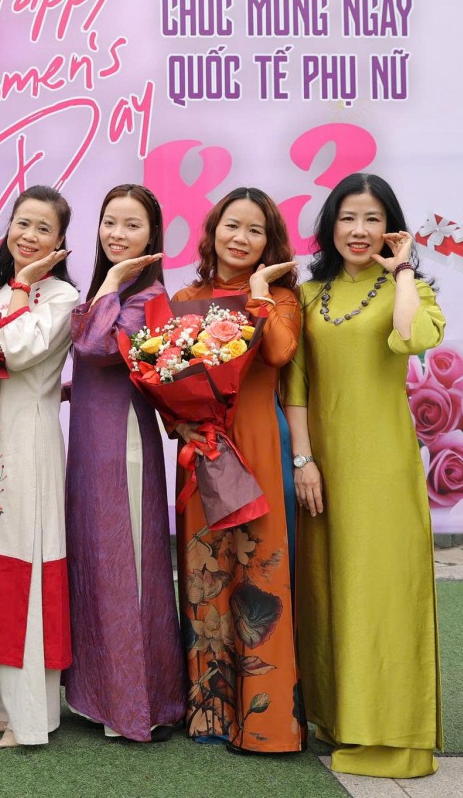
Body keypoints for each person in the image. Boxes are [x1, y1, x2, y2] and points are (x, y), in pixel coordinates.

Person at [284, 172, 446, 778]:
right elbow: (295, 385)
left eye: (372, 219)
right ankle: (340, 722)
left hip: (382, 467)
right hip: (323, 466)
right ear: (331, 224)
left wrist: (401, 271)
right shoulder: (308, 294)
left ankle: (396, 735)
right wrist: (304, 461)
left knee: (382, 589)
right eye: (348, 217)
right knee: (330, 588)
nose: (359, 230)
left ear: (391, 228)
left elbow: (410, 336)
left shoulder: (411, 291)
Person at [171, 187, 304, 752]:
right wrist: (177, 423)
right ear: (213, 231)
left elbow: (277, 354)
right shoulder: (185, 297)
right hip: (205, 446)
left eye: (255, 230)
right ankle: (210, 715)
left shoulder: (281, 298)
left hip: (259, 442)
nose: (241, 238)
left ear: (269, 243)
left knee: (261, 574)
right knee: (205, 571)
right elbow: (166, 371)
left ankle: (266, 724)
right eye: (232, 225)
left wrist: (258, 293)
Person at [64, 184, 183, 743]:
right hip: (92, 443)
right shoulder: (110, 290)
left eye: (132, 225)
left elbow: (95, 348)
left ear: (152, 235)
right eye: (110, 221)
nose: (117, 233)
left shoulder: (148, 295)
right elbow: (94, 366)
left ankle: (138, 703)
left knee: (124, 564)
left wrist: (110, 283)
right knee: (96, 561)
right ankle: (102, 695)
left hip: (124, 446)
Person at [0, 185, 79, 749]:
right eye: (22, 223)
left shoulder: (61, 297)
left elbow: (14, 350)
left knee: (25, 569)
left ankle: (31, 716)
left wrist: (23, 287)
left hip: (28, 443)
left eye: (43, 228)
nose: (29, 236)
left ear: (60, 242)